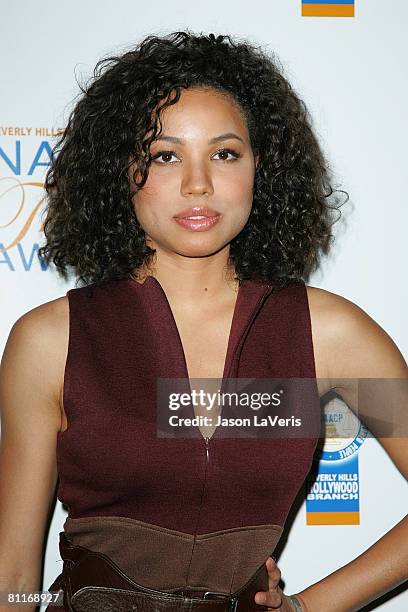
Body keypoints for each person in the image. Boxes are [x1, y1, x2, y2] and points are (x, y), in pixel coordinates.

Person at [0, 30, 407, 612]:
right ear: (122, 171)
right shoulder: (49, 341)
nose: (199, 183)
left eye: (225, 153)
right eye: (166, 155)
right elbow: (12, 573)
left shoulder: (330, 336)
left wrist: (310, 607)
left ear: (260, 169)